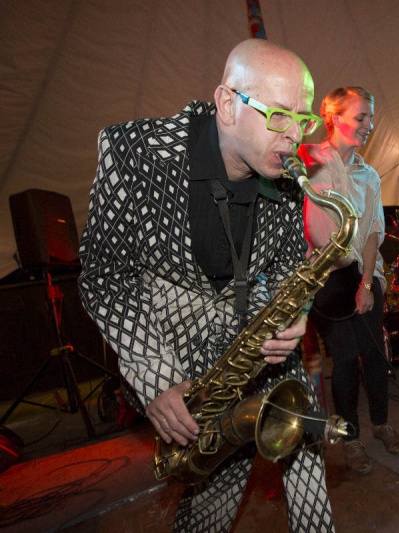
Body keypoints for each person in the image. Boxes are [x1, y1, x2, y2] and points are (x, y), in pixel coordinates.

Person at [78, 40, 336, 531]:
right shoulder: (135, 151)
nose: (294, 135)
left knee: (305, 448)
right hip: (171, 341)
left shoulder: (285, 177)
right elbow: (106, 275)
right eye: (278, 115)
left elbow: (283, 264)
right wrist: (153, 375)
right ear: (225, 104)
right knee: (217, 485)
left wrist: (294, 309)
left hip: (253, 336)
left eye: (303, 119)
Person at [299, 86, 399, 475]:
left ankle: (381, 422)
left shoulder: (369, 174)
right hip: (325, 280)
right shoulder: (307, 159)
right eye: (361, 117)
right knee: (343, 358)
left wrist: (366, 282)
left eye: (370, 118)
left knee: (374, 355)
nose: (369, 125)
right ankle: (351, 437)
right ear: (332, 116)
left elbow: (374, 231)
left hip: (363, 274)